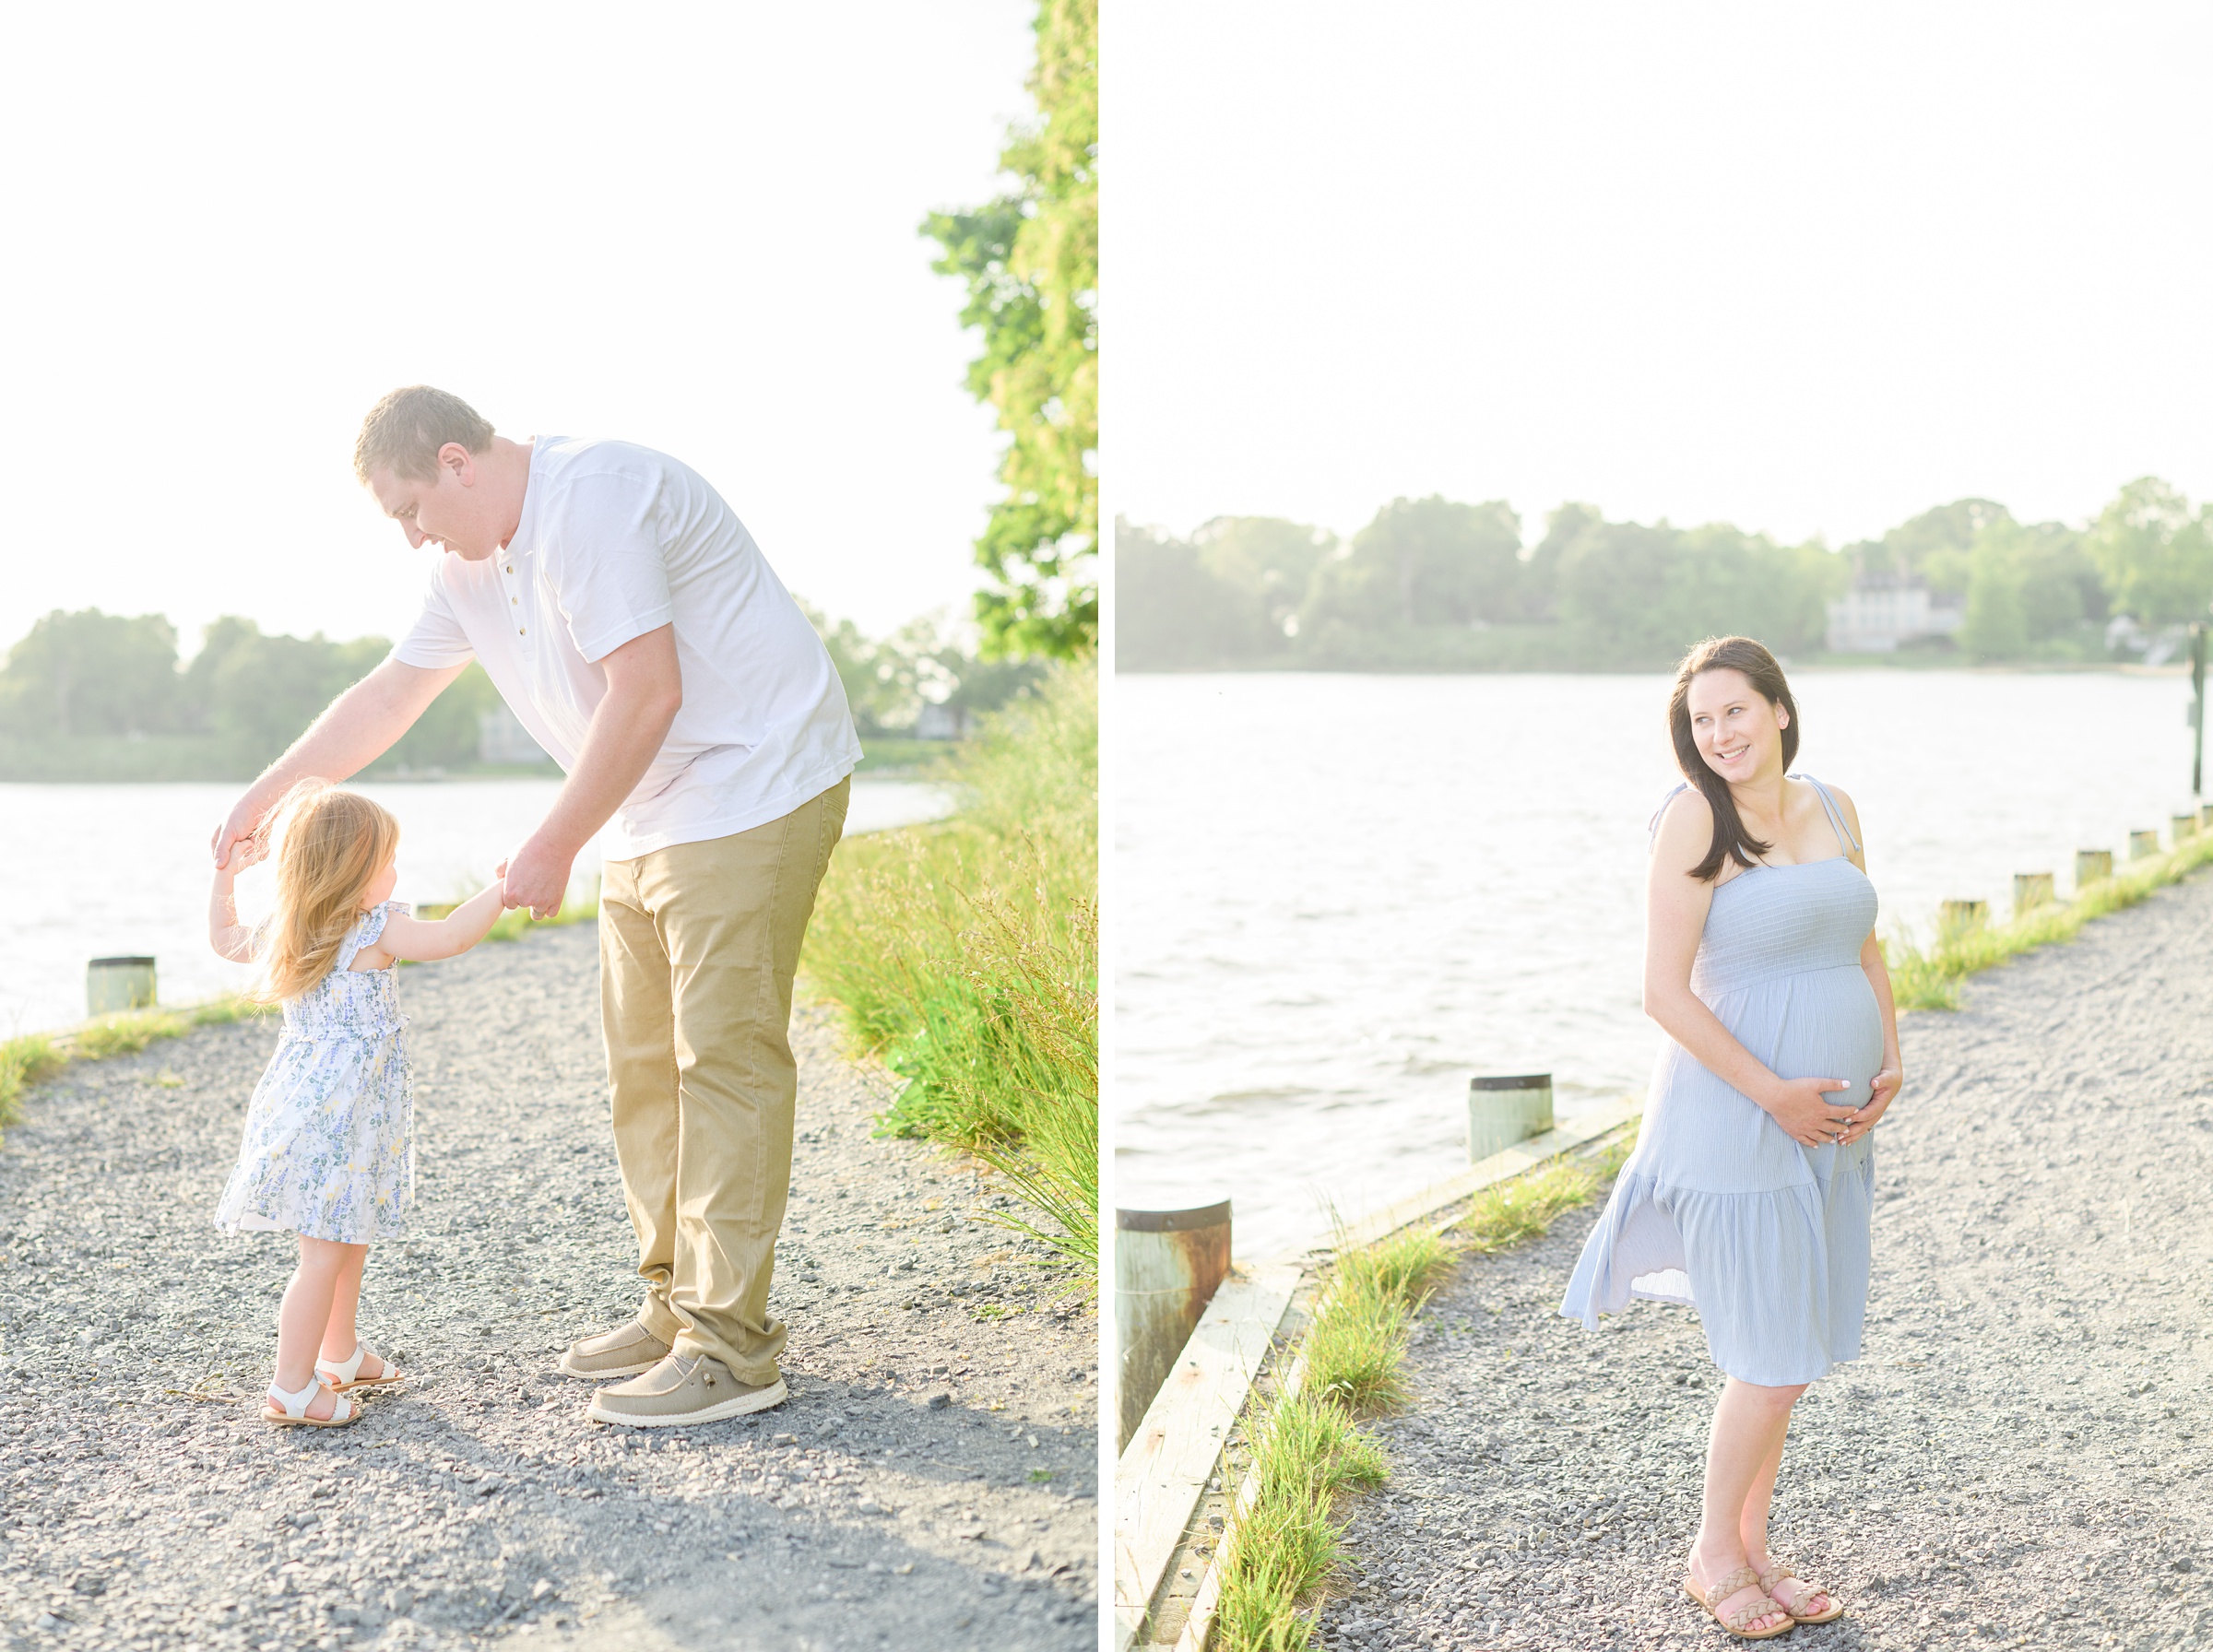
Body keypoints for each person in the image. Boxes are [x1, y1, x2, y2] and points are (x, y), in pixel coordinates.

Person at [211, 386, 859, 1428]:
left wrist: (555, 840)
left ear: (459, 462)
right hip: (647, 800)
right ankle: (675, 1303)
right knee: (643, 1064)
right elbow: (389, 695)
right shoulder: (463, 566)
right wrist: (267, 797)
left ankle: (732, 1348)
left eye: (409, 509)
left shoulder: (589, 499)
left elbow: (648, 690)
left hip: (753, 779)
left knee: (723, 1057)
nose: (411, 535)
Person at [1558, 635, 1901, 1640]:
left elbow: (1864, 942)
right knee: (1767, 1352)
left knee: (1788, 1347)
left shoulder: (1834, 807)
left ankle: (1755, 1547)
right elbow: (1663, 993)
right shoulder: (1691, 818)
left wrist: (1891, 1052)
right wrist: (1774, 1097)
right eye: (1702, 722)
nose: (1720, 735)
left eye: (1736, 713)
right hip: (1734, 1116)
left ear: (1780, 710)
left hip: (1835, 1121)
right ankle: (1715, 1554)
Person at [211, 782, 506, 1428]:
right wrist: (503, 890)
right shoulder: (374, 929)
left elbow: (226, 939)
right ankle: (291, 1385)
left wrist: (226, 879)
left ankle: (338, 1354)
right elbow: (453, 936)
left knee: (350, 1238)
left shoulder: (293, 931)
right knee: (323, 1253)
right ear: (351, 874)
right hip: (338, 1122)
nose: (396, 874)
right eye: (386, 863)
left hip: (336, 1116)